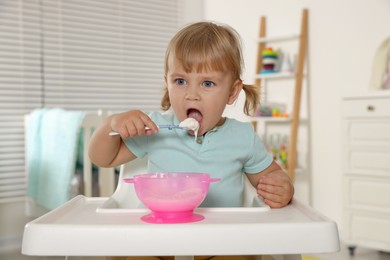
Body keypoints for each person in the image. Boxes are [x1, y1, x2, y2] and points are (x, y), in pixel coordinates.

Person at [89, 21, 294, 260]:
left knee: (243, 253)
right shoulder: (153, 127)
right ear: (167, 81)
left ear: (232, 91)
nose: (191, 94)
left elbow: (271, 178)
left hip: (220, 242)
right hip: (157, 239)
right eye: (180, 81)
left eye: (207, 83)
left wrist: (282, 188)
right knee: (128, 254)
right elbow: (103, 157)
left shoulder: (242, 137)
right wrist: (111, 125)